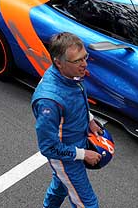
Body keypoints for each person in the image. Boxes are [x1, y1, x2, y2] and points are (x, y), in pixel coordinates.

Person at [31, 32, 103, 208]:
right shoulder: (48, 101)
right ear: (58, 62)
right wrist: (83, 154)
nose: (84, 64)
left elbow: (76, 100)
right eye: (78, 60)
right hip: (65, 156)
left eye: (85, 57)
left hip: (75, 143)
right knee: (87, 204)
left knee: (61, 186)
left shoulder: (69, 74)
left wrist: (90, 119)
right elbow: (49, 147)